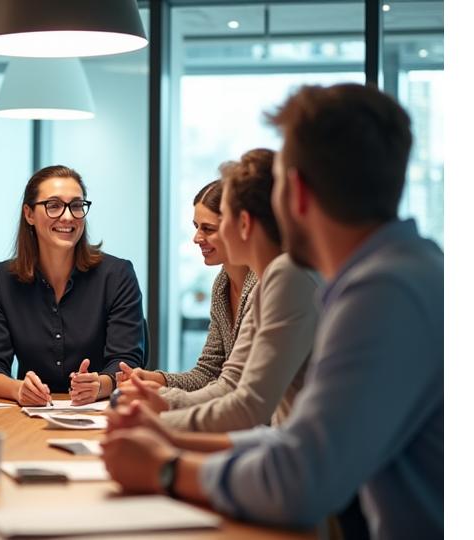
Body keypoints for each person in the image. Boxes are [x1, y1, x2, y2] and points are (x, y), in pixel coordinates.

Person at [101, 84, 443, 538]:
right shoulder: (408, 270)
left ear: (296, 193)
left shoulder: (382, 293)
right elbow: (293, 439)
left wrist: (165, 467)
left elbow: (299, 480)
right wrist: (169, 436)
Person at [118, 148, 320, 433]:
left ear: (244, 223)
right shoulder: (271, 278)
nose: (199, 238)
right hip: (278, 445)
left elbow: (249, 404)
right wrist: (161, 402)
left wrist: (158, 420)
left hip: (294, 455)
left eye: (216, 225)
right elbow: (230, 382)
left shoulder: (286, 277)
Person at [0, 165, 145, 406]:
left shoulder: (117, 275)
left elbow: (127, 360)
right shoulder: (2, 279)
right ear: (29, 214)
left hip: (99, 413)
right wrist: (18, 389)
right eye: (53, 206)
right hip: (27, 417)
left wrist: (99, 385)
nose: (67, 216)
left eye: (76, 205)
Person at [116, 179, 258, 408]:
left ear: (240, 226)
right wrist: (157, 379)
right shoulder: (222, 285)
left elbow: (235, 385)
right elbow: (208, 373)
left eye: (208, 229)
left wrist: (165, 399)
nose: (196, 238)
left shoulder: (263, 286)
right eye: (196, 227)